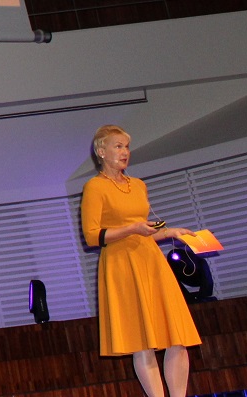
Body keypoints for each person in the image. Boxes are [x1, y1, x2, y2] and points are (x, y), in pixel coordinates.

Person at [81, 125, 201, 397]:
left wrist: (170, 232)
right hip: (122, 265)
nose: (125, 152)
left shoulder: (138, 185)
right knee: (143, 341)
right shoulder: (95, 187)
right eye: (118, 146)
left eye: (126, 146)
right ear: (101, 151)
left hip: (150, 260)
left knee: (177, 336)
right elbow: (92, 236)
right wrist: (131, 229)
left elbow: (145, 231)